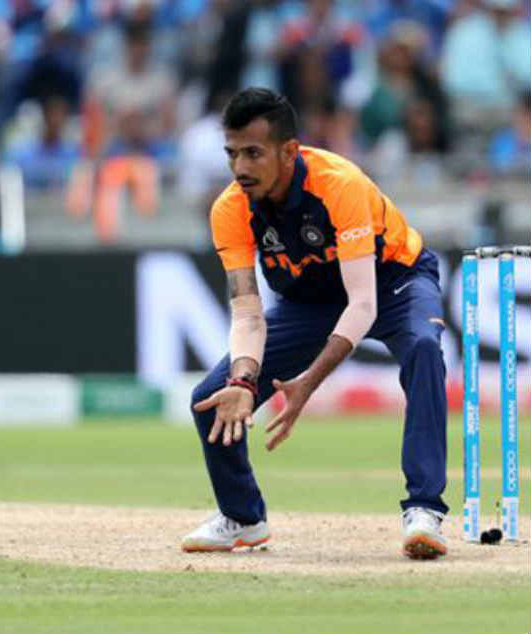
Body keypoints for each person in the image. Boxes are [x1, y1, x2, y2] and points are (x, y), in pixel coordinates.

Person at [182, 88, 449, 560]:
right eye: (232, 154)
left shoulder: (339, 184)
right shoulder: (230, 208)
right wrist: (243, 380)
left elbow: (362, 303)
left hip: (393, 280)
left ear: (289, 152)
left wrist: (308, 382)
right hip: (310, 300)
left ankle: (424, 509)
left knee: (424, 349)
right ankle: (243, 518)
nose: (240, 168)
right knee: (211, 397)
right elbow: (247, 312)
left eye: (253, 153)